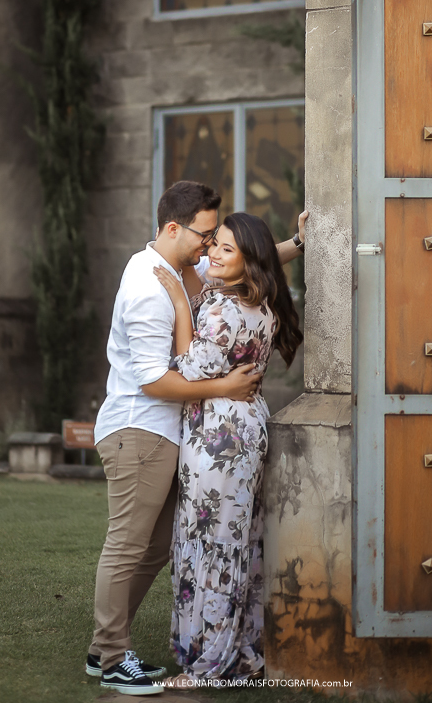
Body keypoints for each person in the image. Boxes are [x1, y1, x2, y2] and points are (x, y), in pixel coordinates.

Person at [86, 181, 306, 695]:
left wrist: (297, 245)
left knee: (157, 546)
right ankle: (114, 656)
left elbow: (247, 256)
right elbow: (153, 380)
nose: (211, 247)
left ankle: (106, 647)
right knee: (128, 544)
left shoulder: (190, 267)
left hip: (179, 432)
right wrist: (225, 384)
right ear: (172, 229)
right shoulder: (148, 285)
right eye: (206, 236)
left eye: (216, 239)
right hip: (140, 427)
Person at [153, 212, 303, 688]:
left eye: (224, 249)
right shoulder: (259, 303)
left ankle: (204, 669)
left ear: (245, 261)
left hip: (219, 437)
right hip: (247, 427)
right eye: (212, 244)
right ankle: (243, 657)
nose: (211, 255)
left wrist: (180, 301)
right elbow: (259, 257)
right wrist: (299, 241)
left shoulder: (218, 310)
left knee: (210, 545)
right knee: (237, 542)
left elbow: (188, 370)